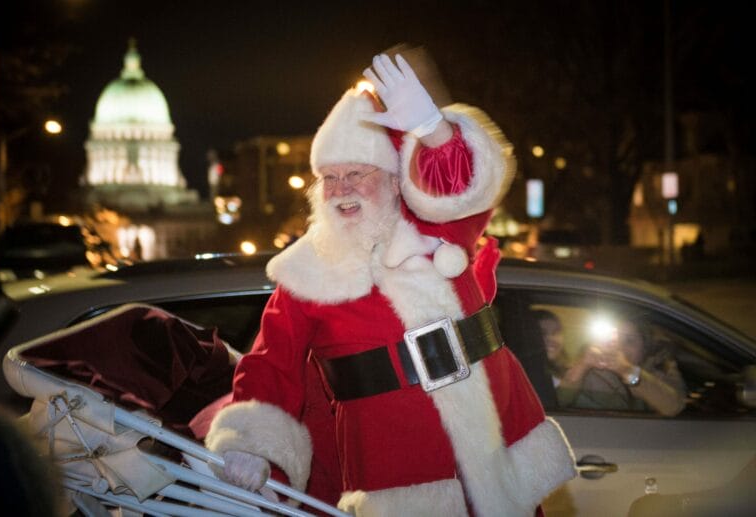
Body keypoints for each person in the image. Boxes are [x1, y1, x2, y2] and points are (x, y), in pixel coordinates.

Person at [201, 52, 576, 516]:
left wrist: (431, 129)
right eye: (330, 179)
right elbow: (268, 363)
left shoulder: (442, 231)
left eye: (356, 173)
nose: (341, 190)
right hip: (398, 477)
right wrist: (250, 446)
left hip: (496, 453)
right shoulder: (306, 273)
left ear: (395, 181)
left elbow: (465, 183)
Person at [558, 316, 687, 417]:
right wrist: (582, 366)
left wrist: (627, 370)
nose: (619, 348)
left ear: (645, 345)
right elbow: (558, 403)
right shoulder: (591, 369)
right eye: (613, 341)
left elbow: (673, 407)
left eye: (629, 341)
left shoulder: (659, 366)